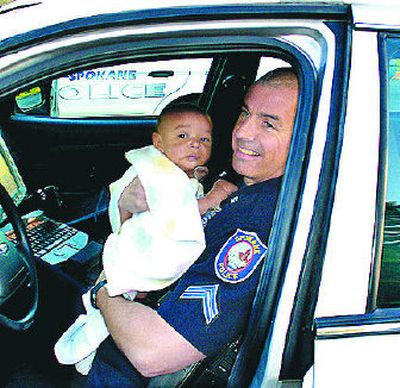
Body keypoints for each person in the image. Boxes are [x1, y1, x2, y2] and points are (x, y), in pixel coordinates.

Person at [85, 67, 299, 387]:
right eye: (245, 113)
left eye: (268, 123)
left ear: (304, 136)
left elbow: (153, 353)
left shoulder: (261, 225)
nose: (242, 132)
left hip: (127, 366)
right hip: (134, 302)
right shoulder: (239, 181)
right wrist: (127, 211)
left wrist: (102, 290)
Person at [54, 103, 237, 375]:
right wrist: (213, 197)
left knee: (114, 303)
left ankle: (94, 347)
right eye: (183, 137)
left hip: (139, 259)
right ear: (158, 143)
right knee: (116, 303)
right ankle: (88, 349)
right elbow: (179, 210)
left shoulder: (173, 172)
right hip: (138, 254)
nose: (195, 145)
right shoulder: (158, 173)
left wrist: (193, 178)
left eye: (204, 139)